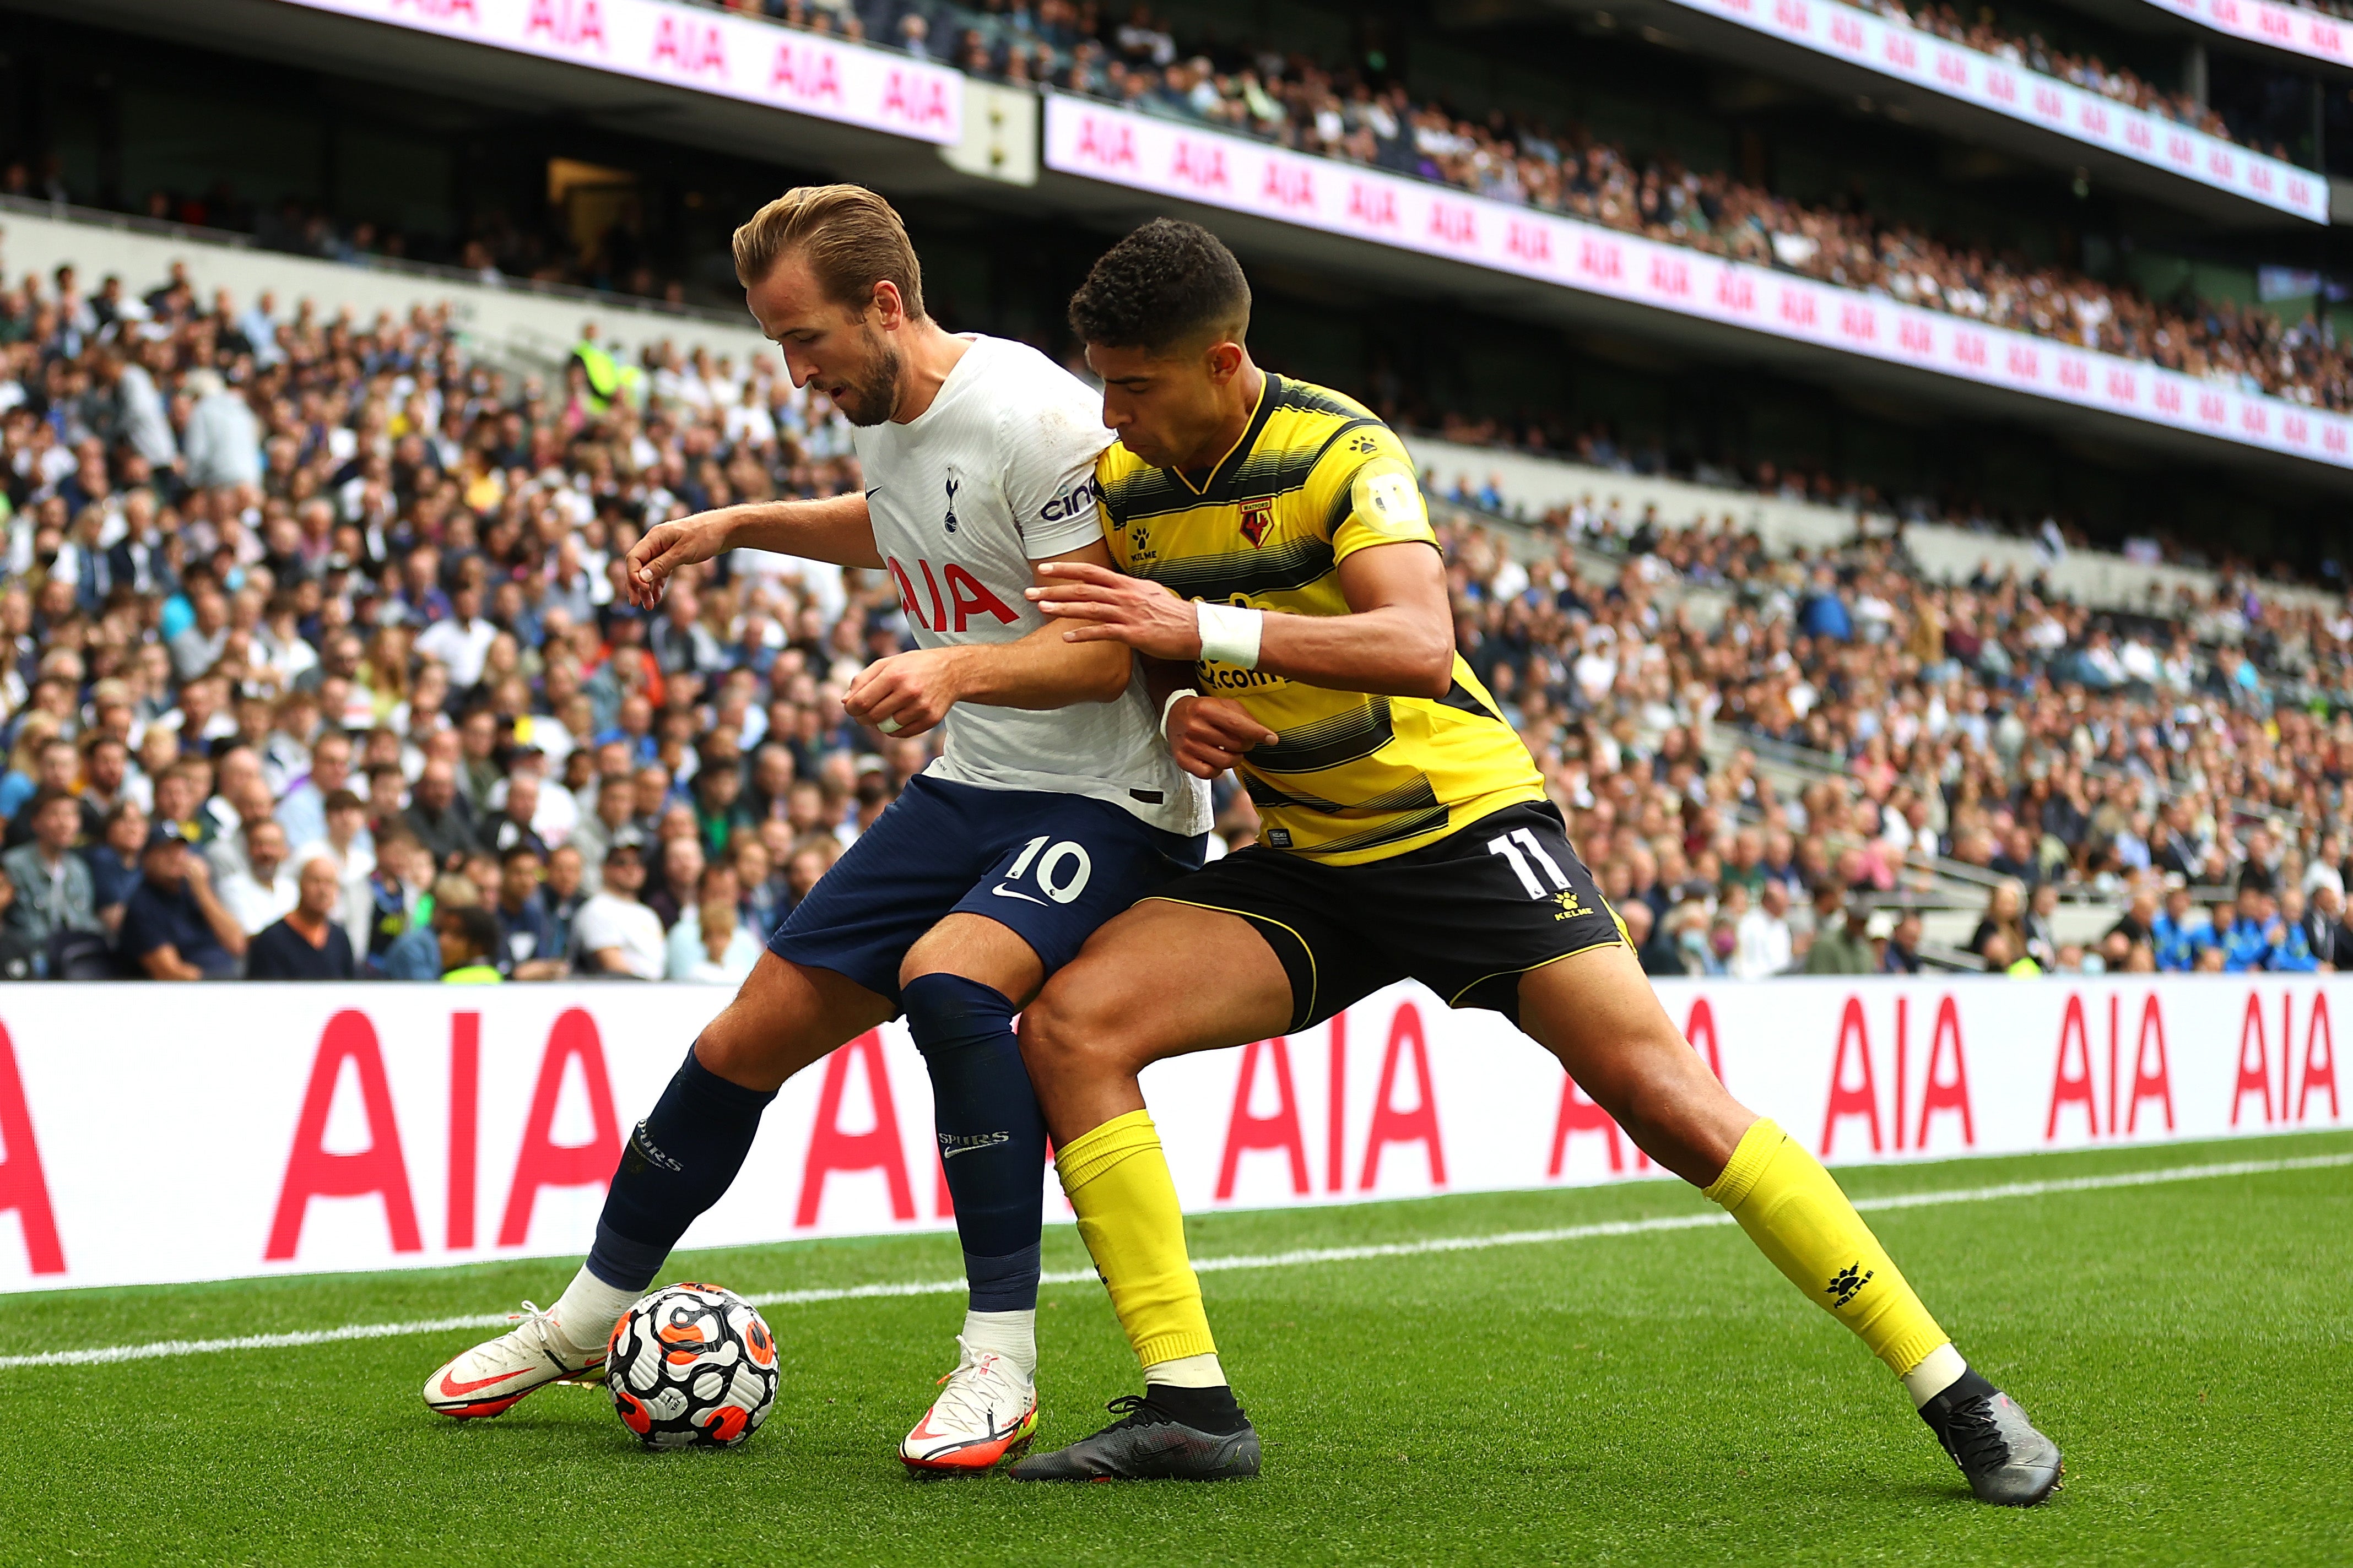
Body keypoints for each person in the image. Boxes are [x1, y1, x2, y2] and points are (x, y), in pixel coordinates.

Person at [999, 220, 2058, 1503]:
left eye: (1134, 383)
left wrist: (1203, 624)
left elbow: (1413, 642)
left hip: (1461, 828)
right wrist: (1180, 705)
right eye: (1100, 378)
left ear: (1225, 362)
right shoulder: (1126, 482)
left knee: (1664, 1095)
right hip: (1313, 855)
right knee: (1070, 1026)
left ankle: (1955, 1389)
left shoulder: (1341, 448)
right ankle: (1190, 1404)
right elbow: (1155, 647)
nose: (1109, 411)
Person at [424, 184, 1209, 1479]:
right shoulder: (889, 415)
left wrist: (952, 670)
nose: (794, 373)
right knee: (739, 1041)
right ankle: (581, 1320)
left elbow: (1103, 651)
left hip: (1106, 796)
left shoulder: (1041, 418)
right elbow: (896, 525)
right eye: (778, 345)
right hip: (971, 789)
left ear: (885, 304)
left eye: (806, 340)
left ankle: (999, 1356)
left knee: (952, 985)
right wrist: (742, 527)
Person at [118, 821, 245, 979]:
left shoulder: (197, 891)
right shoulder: (142, 906)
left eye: (180, 850)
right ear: (146, 859)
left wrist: (203, 892)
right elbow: (171, 972)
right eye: (166, 851)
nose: (176, 858)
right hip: (189, 993)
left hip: (232, 979)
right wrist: (218, 985)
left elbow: (237, 944)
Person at [1, 789, 98, 951]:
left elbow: (86, 922)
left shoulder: (79, 869)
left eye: (71, 815)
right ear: (35, 822)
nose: (64, 823)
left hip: (74, 959)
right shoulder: (13, 866)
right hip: (30, 957)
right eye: (55, 815)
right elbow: (22, 927)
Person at [570, 830, 667, 979]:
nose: (631, 869)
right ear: (604, 869)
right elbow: (612, 965)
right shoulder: (598, 909)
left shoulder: (648, 913)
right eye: (621, 863)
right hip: (622, 993)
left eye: (638, 862)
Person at [246, 856, 359, 980]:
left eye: (329, 883)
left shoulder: (340, 937)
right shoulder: (271, 940)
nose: (323, 891)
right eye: (316, 881)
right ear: (300, 885)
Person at [218, 819, 300, 935]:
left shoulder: (292, 888)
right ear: (248, 849)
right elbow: (253, 936)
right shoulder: (232, 887)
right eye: (259, 845)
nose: (266, 852)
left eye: (273, 845)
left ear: (284, 850)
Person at [437, 903, 505, 984]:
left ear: (479, 946)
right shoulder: (497, 977)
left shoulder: (451, 983)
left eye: (455, 934)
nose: (442, 940)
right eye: (442, 931)